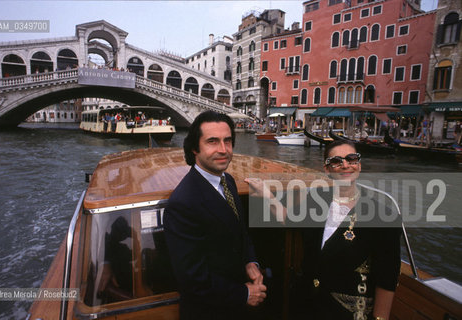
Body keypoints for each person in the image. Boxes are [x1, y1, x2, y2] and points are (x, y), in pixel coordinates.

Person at [247, 140, 401, 320]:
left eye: (351, 159)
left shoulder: (383, 216)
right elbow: (288, 218)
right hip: (306, 306)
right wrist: (266, 193)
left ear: (359, 165)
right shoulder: (317, 200)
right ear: (327, 169)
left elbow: (387, 280)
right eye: (337, 161)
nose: (345, 165)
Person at [164, 111, 266, 320]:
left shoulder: (227, 181)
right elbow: (192, 279)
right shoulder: (182, 203)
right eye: (212, 141)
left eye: (227, 141)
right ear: (195, 148)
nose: (223, 150)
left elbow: (240, 232)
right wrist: (244, 294)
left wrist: (250, 261)